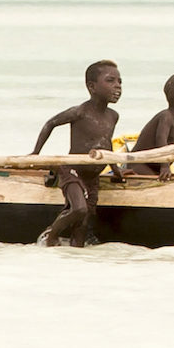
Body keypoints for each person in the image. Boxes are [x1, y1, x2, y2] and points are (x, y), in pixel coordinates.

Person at [30, 60, 123, 247]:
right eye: (111, 81)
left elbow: (106, 146)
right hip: (73, 171)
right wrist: (36, 153)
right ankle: (50, 236)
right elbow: (51, 123)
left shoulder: (113, 116)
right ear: (92, 86)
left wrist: (117, 171)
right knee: (79, 209)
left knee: (81, 230)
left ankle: (74, 263)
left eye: (120, 82)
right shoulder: (81, 112)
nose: (118, 86)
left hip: (93, 178)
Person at [127, 73, 174, 181]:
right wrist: (165, 166)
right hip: (139, 164)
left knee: (164, 180)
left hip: (156, 168)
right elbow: (160, 140)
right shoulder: (166, 117)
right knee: (160, 183)